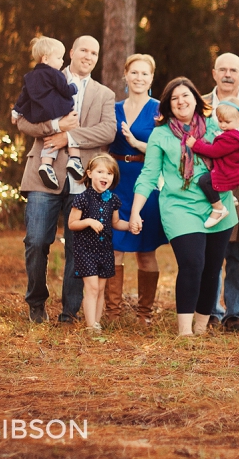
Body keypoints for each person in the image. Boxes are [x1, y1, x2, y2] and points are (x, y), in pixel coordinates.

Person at [17, 35, 117, 324]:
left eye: (94, 52)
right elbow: (22, 119)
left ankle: (69, 311)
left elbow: (107, 131)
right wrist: (55, 126)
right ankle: (36, 302)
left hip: (83, 180)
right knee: (36, 240)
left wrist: (68, 136)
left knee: (79, 246)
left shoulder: (104, 94)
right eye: (83, 50)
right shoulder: (43, 77)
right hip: (42, 173)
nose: (88, 56)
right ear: (71, 52)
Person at [129, 77, 238, 336]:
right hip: (179, 207)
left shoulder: (214, 126)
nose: (181, 101)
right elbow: (148, 174)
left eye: (185, 95)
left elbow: (236, 152)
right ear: (168, 105)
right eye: (175, 98)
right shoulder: (161, 134)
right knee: (192, 262)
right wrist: (135, 210)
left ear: (195, 99)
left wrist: (237, 177)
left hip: (218, 205)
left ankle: (201, 326)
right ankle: (184, 330)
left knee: (212, 267)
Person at [104, 54, 168, 327]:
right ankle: (113, 313)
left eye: (145, 74)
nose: (139, 78)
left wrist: (136, 142)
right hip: (118, 179)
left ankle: (144, 315)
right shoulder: (113, 108)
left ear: (151, 79)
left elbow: (166, 148)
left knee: (145, 251)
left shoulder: (160, 110)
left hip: (148, 180)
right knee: (115, 248)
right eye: (135, 73)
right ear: (126, 76)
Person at [202, 53, 239, 332]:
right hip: (208, 190)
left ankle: (234, 314)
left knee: (237, 251)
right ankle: (211, 310)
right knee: (211, 251)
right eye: (222, 69)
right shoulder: (200, 104)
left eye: (233, 70)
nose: (227, 74)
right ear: (213, 73)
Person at [67, 154, 131, 332]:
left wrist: (130, 226)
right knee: (92, 287)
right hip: (85, 250)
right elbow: (72, 224)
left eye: (109, 173)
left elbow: (116, 223)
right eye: (100, 172)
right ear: (89, 173)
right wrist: (88, 221)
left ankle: (96, 323)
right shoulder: (82, 198)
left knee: (101, 288)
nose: (105, 176)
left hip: (104, 250)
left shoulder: (113, 200)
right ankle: (89, 326)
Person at [11, 36, 83, 189]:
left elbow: (23, 96)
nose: (62, 61)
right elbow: (66, 90)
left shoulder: (29, 77)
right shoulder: (55, 74)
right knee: (73, 126)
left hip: (40, 115)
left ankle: (46, 165)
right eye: (58, 58)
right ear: (45, 59)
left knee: (50, 138)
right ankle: (75, 159)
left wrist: (16, 111)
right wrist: (75, 85)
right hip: (58, 110)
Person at [189, 98, 239, 228]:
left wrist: (195, 145)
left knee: (204, 180)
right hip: (236, 169)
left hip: (231, 172)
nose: (223, 125)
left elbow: (214, 151)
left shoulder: (231, 138)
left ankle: (218, 208)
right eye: (220, 121)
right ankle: (228, 197)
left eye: (227, 122)